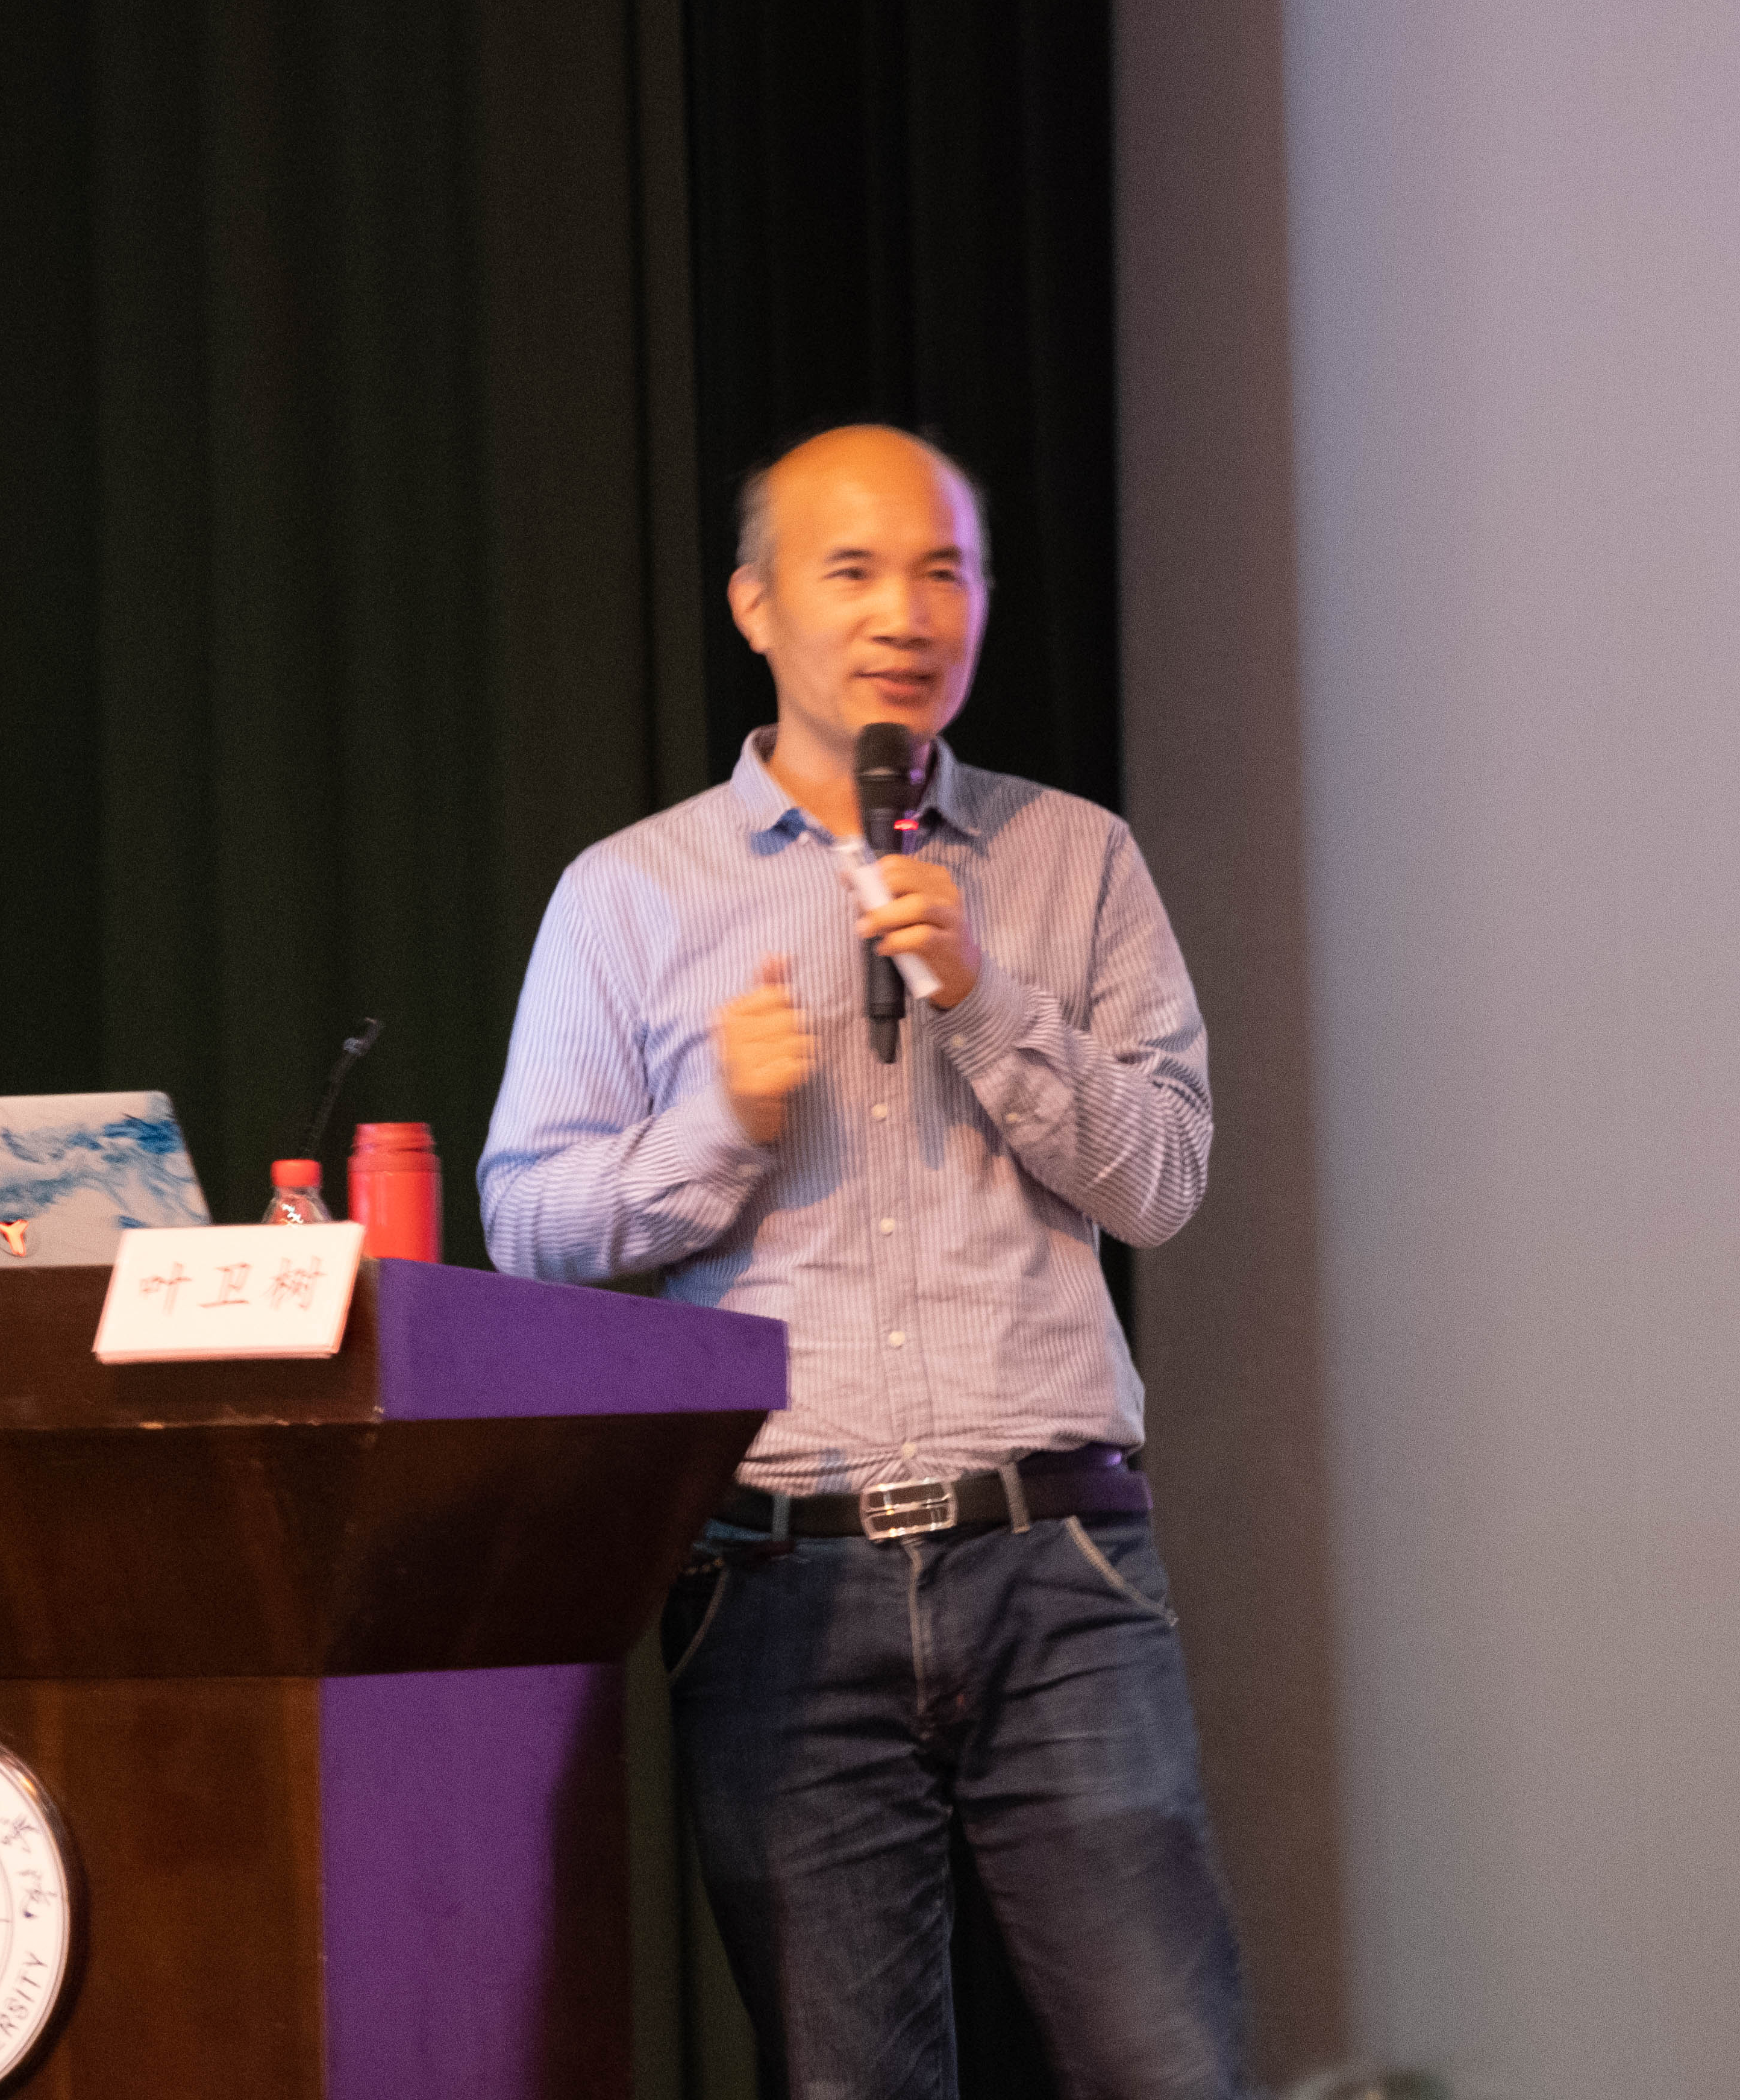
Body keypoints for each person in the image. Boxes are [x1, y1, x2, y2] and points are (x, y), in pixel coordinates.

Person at [480, 423, 1250, 2098]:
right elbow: (527, 1220)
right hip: (777, 1578)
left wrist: (984, 995)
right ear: (755, 606)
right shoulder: (629, 894)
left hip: (1058, 1562)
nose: (907, 611)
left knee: (1170, 2064)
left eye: (944, 571)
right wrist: (715, 1130)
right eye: (855, 570)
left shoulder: (1074, 857)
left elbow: (1165, 1181)